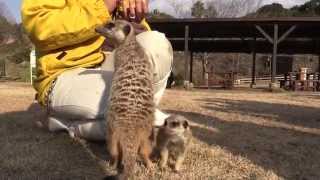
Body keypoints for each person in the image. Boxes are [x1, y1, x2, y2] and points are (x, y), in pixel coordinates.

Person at [21, 0, 173, 141]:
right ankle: (155, 125)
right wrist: (104, 7)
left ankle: (137, 119)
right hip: (64, 73)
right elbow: (39, 26)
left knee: (156, 43)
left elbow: (142, 37)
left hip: (109, 66)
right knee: (126, 107)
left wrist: (135, 22)